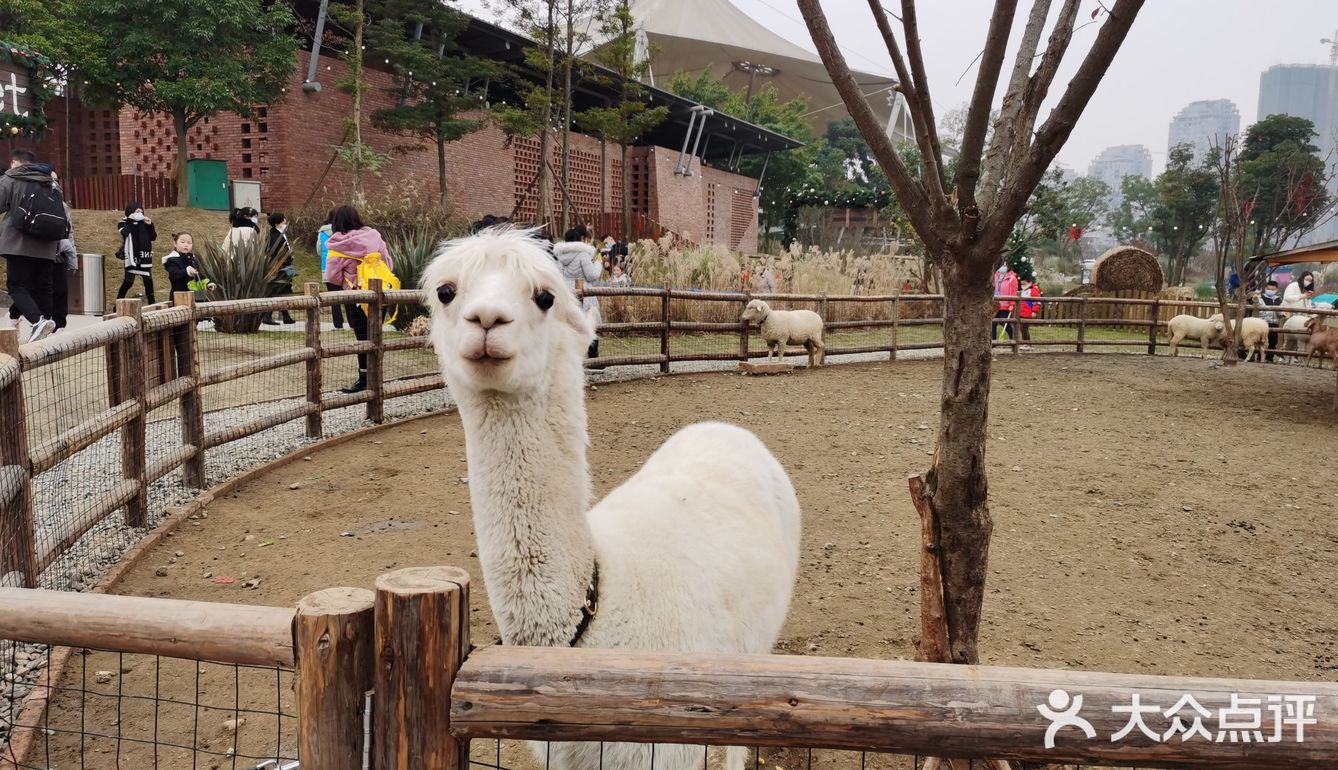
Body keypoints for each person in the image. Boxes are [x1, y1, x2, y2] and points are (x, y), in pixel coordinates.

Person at [324, 205, 393, 393]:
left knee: (362, 338)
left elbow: (332, 276)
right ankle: (376, 376)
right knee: (375, 335)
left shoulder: (337, 244)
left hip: (356, 296)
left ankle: (364, 378)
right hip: (379, 293)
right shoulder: (374, 237)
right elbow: (388, 263)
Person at [553, 224, 602, 359]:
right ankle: (593, 358)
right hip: (584, 291)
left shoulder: (561, 255)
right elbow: (591, 275)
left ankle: (570, 356)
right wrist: (598, 263)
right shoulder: (583, 254)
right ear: (581, 239)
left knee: (569, 323)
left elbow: (559, 274)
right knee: (590, 321)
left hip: (567, 291)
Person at [116, 201, 157, 302]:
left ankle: (153, 304)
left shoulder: (145, 222)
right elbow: (125, 232)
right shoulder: (123, 222)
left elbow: (153, 237)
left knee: (148, 282)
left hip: (144, 256)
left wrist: (150, 225)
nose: (139, 213)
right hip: (131, 256)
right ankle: (117, 305)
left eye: (140, 211)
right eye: (136, 211)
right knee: (128, 282)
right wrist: (130, 220)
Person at [262, 212, 296, 325]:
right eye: (283, 220)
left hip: (284, 265)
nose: (285, 222)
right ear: (277, 223)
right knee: (277, 290)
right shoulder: (275, 236)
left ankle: (285, 316)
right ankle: (267, 315)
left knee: (282, 290)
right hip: (279, 267)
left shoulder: (279, 234)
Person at [162, 232, 215, 300]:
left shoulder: (193, 259)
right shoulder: (172, 259)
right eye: (182, 242)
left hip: (195, 296)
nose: (186, 245)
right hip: (179, 297)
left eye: (189, 243)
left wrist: (208, 283)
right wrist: (187, 271)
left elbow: (198, 275)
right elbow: (174, 275)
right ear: (175, 244)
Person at [317, 215, 344, 329]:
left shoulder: (322, 232)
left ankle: (338, 323)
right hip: (343, 266)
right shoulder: (342, 230)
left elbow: (319, 250)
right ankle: (353, 322)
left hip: (327, 266)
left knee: (333, 297)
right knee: (348, 296)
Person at [1256, 279, 1283, 362]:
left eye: (1273, 290)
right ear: (1265, 288)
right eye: (1269, 289)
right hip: (1263, 323)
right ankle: (1260, 358)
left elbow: (1282, 311)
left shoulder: (1279, 299)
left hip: (1275, 323)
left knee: (1273, 341)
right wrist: (1255, 296)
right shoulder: (1261, 297)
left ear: (1276, 290)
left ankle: (1269, 358)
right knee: (1262, 340)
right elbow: (1256, 302)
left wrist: (1282, 314)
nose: (1270, 291)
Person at [993, 262, 1019, 341]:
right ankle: (993, 341)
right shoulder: (996, 275)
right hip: (994, 304)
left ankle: (1013, 339)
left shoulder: (1012, 278)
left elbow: (1013, 292)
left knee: (1005, 323)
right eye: (1002, 265)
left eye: (1005, 265)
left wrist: (1012, 304)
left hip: (1005, 305)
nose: (1003, 267)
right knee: (992, 324)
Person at [1018, 277, 1041, 350]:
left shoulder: (1033, 290)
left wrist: (1034, 311)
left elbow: (1036, 302)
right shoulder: (1023, 290)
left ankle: (1027, 344)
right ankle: (1026, 343)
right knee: (1022, 328)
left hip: (1028, 312)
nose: (1022, 283)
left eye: (1024, 282)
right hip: (1022, 312)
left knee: (1024, 328)